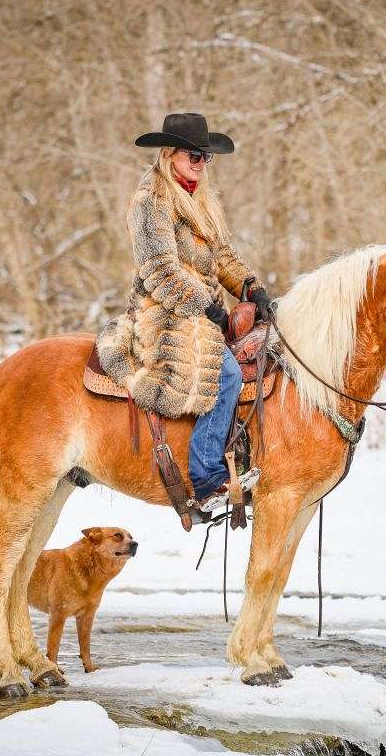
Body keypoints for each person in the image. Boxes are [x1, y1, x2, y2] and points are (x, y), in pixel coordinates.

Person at [95, 112, 272, 513]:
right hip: (166, 311)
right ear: (170, 154)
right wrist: (209, 309)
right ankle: (208, 478)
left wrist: (251, 287)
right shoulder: (151, 202)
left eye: (205, 157)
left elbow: (222, 256)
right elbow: (160, 269)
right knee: (224, 372)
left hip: (202, 309)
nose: (200, 163)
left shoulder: (202, 200)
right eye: (193, 155)